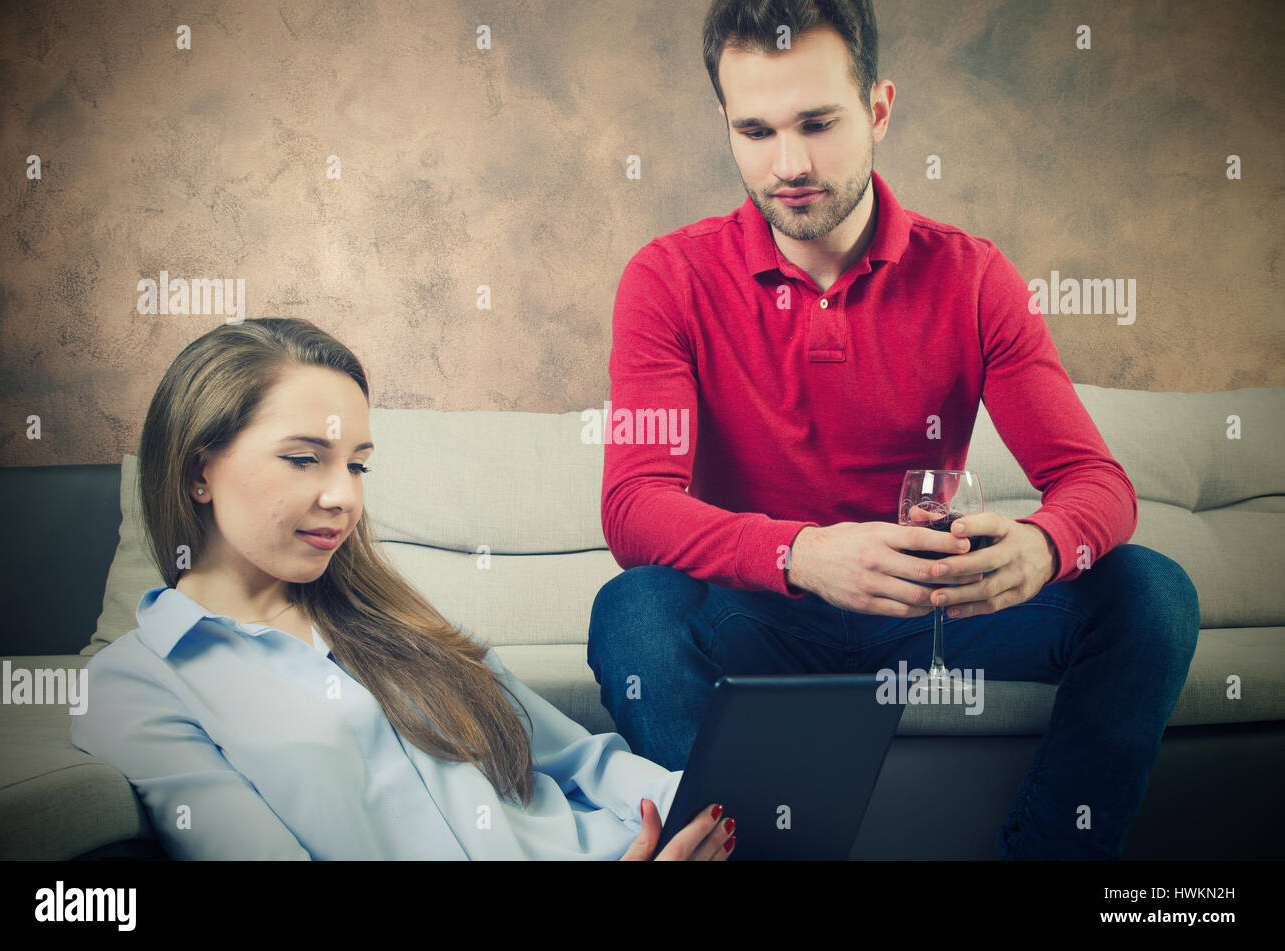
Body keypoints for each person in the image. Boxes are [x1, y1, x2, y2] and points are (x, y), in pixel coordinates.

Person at [587, 0, 1199, 860]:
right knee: (633, 610)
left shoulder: (973, 275)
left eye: (818, 123)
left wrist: (1046, 544)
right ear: (724, 126)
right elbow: (633, 507)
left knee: (1151, 591)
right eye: (756, 130)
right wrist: (801, 554)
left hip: (934, 614)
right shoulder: (667, 277)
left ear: (877, 109)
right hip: (766, 614)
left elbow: (1097, 483)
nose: (789, 164)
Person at [71, 318, 736, 860]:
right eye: (305, 458)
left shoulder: (393, 616)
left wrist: (703, 811)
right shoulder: (136, 683)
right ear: (198, 471)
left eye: (357, 466)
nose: (343, 497)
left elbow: (578, 758)